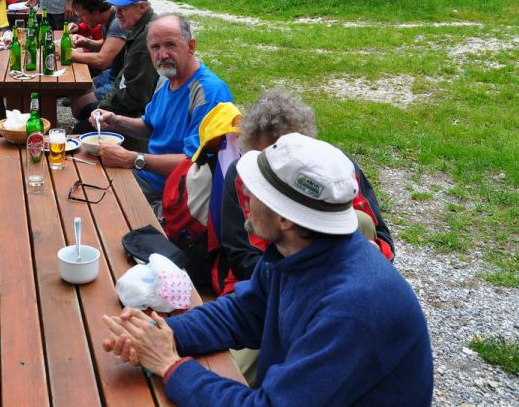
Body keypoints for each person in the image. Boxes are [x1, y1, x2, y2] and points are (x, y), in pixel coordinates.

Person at [102, 133, 434, 406]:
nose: (242, 192)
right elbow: (242, 313)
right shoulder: (295, 252)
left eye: (256, 190)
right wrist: (164, 334)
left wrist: (170, 365)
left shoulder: (351, 310)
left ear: (285, 218)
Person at [221, 88, 395, 291]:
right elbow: (241, 257)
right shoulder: (243, 174)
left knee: (362, 221)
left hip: (334, 280)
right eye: (266, 159)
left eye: (288, 157)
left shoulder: (335, 170)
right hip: (268, 284)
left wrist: (370, 255)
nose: (276, 167)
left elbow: (382, 240)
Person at [96, 12, 233, 214]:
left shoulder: (209, 93)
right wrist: (115, 121)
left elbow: (194, 164)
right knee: (87, 180)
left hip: (175, 193)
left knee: (101, 207)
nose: (162, 55)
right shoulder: (165, 79)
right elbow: (151, 126)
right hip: (148, 176)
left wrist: (132, 158)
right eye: (155, 47)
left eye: (170, 45)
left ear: (191, 47)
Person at [76, 0, 158, 129]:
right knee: (84, 107)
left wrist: (104, 104)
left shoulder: (146, 38)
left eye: (123, 9)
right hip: (129, 97)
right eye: (117, 8)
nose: (117, 14)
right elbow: (125, 75)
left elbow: (137, 96)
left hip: (142, 113)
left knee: (82, 125)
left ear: (142, 7)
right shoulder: (138, 26)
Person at [67, 0, 128, 115]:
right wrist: (86, 42)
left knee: (79, 106)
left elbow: (102, 60)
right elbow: (107, 44)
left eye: (82, 15)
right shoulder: (108, 17)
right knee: (75, 90)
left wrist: (69, 54)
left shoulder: (117, 22)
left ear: (95, 11)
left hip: (121, 79)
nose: (80, 20)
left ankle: (95, 125)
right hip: (113, 73)